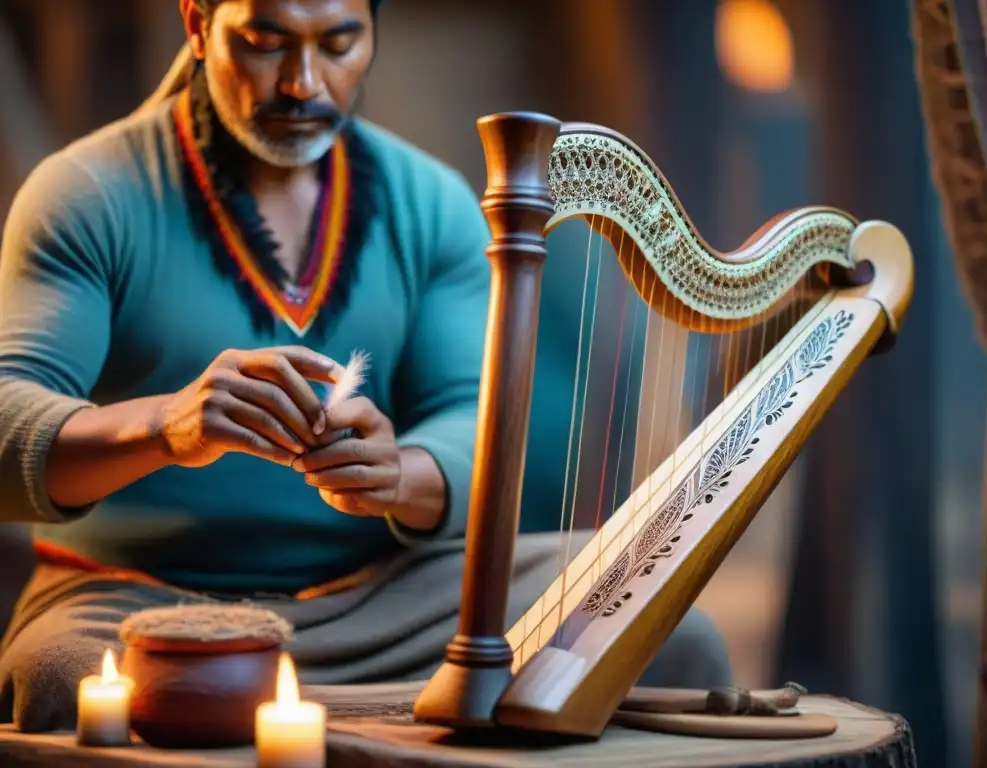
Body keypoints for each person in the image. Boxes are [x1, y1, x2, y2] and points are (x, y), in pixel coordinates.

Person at [0, 0, 731, 732]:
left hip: (392, 597)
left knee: (664, 627)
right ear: (196, 25)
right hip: (137, 605)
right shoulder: (88, 195)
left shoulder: (431, 203)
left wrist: (399, 475)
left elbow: (477, 418)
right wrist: (165, 425)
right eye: (263, 43)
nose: (303, 82)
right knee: (62, 680)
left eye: (340, 43)